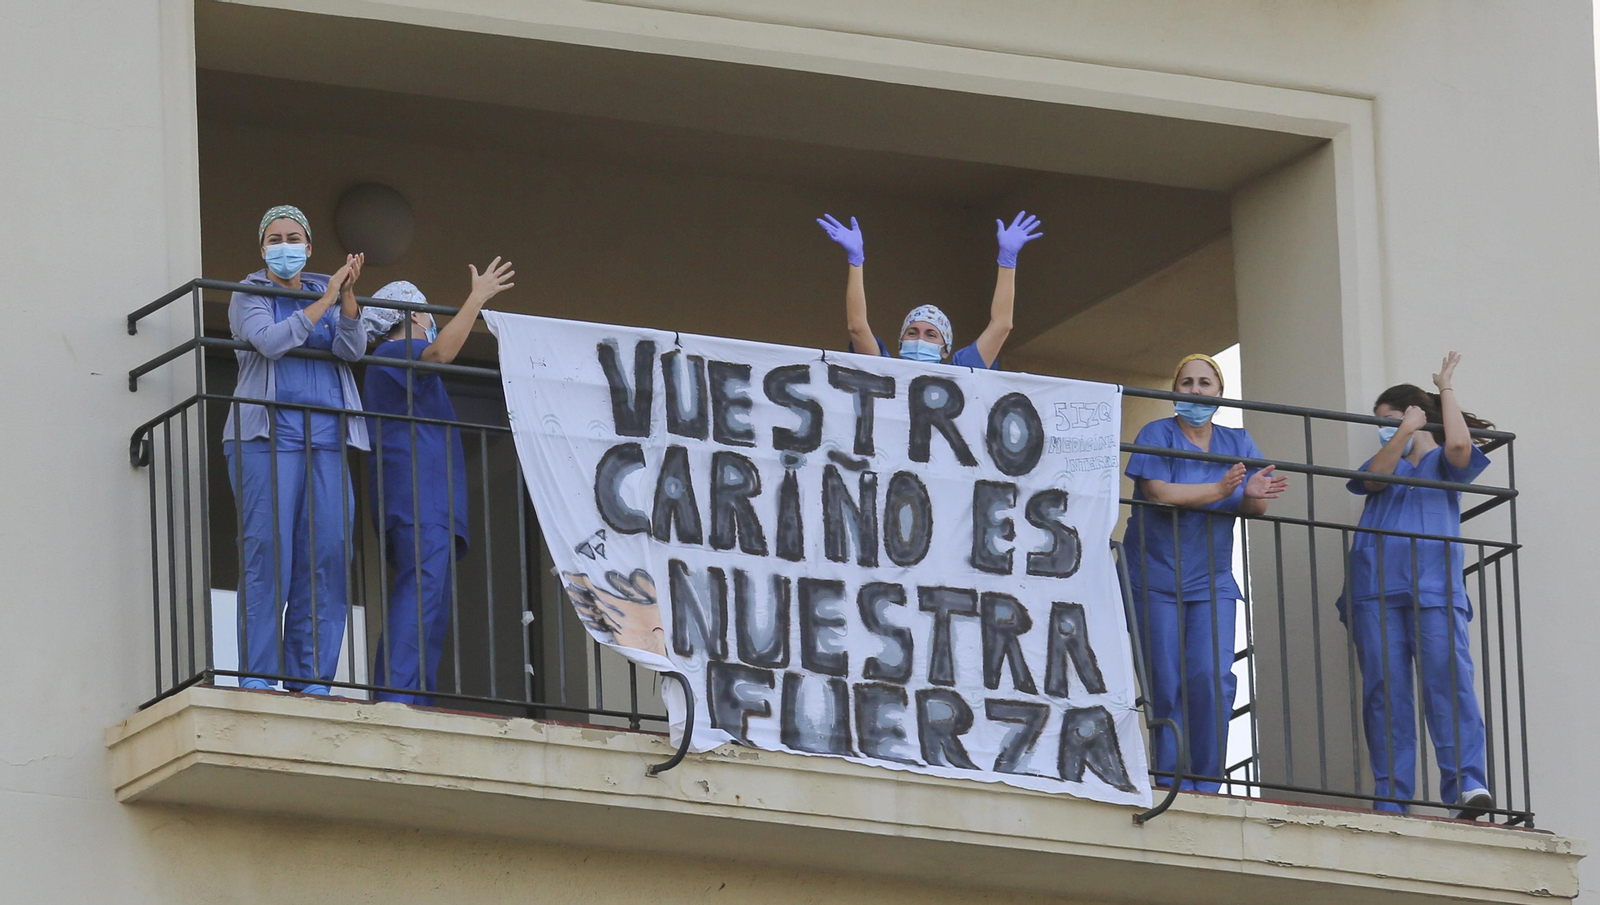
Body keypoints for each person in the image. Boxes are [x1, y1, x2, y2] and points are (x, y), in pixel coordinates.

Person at [1121, 354, 1287, 791]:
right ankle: (1171, 778)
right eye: (1187, 383)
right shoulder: (1155, 433)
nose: (1195, 391)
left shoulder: (1237, 441)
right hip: (1154, 577)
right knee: (1167, 680)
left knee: (1212, 678)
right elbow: (1158, 493)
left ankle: (1206, 782)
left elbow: (1256, 502)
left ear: (1219, 393)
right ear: (1175, 391)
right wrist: (1220, 489)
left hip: (1210, 580)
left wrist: (1251, 493)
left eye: (1205, 384)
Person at [223, 204, 368, 694]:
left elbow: (351, 351)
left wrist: (346, 303)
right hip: (266, 438)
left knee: (326, 555)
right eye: (274, 238)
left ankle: (311, 678)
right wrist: (327, 298)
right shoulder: (250, 295)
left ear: (309, 246)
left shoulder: (324, 294)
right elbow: (269, 341)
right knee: (269, 554)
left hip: (326, 438)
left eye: (294, 238)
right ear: (263, 248)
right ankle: (260, 676)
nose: (284, 246)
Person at [1342, 352, 1494, 819]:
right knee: (1385, 691)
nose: (1384, 430)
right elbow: (1372, 479)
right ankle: (1392, 793)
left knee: (1449, 683)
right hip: (1375, 590)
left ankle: (1467, 785)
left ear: (1418, 417)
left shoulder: (1443, 467)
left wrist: (1444, 389)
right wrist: (1402, 433)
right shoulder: (1387, 459)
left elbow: (1460, 450)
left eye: (1390, 421)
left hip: (1434, 589)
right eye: (1381, 424)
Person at [360, 259, 515, 705]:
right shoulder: (392, 355)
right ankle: (397, 695)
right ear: (410, 317)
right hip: (418, 500)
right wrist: (477, 298)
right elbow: (440, 354)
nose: (433, 324)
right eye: (428, 315)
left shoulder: (394, 365)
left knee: (431, 601)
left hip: (425, 502)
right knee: (421, 593)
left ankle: (414, 696)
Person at [816, 211, 1042, 368]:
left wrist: (1007, 261)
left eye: (931, 334)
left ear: (945, 350)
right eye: (912, 333)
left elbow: (1002, 325)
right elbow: (857, 328)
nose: (919, 339)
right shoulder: (883, 369)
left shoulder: (962, 372)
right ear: (901, 342)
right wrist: (856, 261)